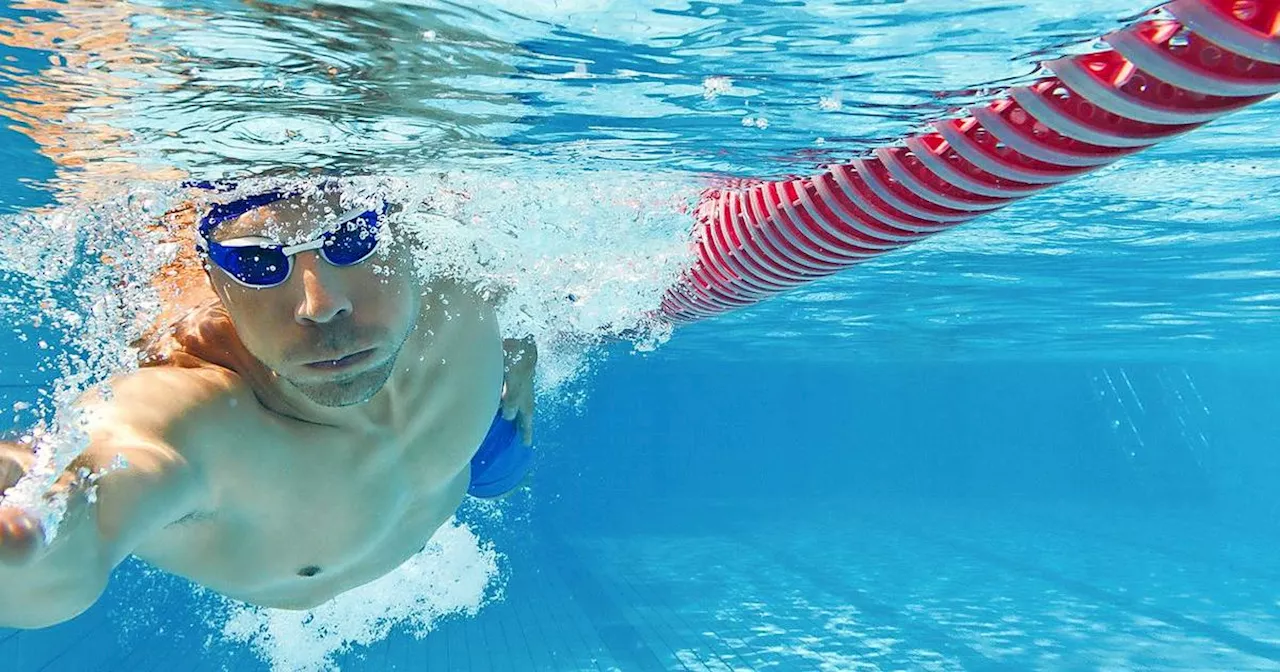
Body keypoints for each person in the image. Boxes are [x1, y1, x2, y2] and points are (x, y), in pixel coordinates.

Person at [0, 180, 538, 629]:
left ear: (403, 232)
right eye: (256, 260)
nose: (321, 306)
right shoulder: (197, 408)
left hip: (463, 452)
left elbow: (521, 297)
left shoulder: (462, 280)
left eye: (351, 237)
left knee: (500, 464)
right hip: (392, 505)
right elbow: (104, 486)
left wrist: (518, 353)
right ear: (214, 281)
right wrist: (38, 514)